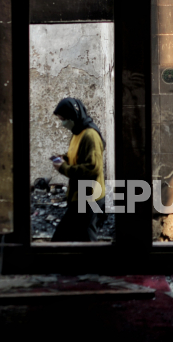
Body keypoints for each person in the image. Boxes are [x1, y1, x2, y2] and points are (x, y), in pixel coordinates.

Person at [50, 98, 107, 241]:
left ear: (73, 116)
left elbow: (92, 168)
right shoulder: (77, 133)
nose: (63, 123)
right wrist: (65, 158)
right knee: (86, 237)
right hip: (81, 196)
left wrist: (63, 167)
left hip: (89, 197)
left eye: (63, 119)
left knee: (60, 239)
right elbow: (78, 156)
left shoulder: (90, 135)